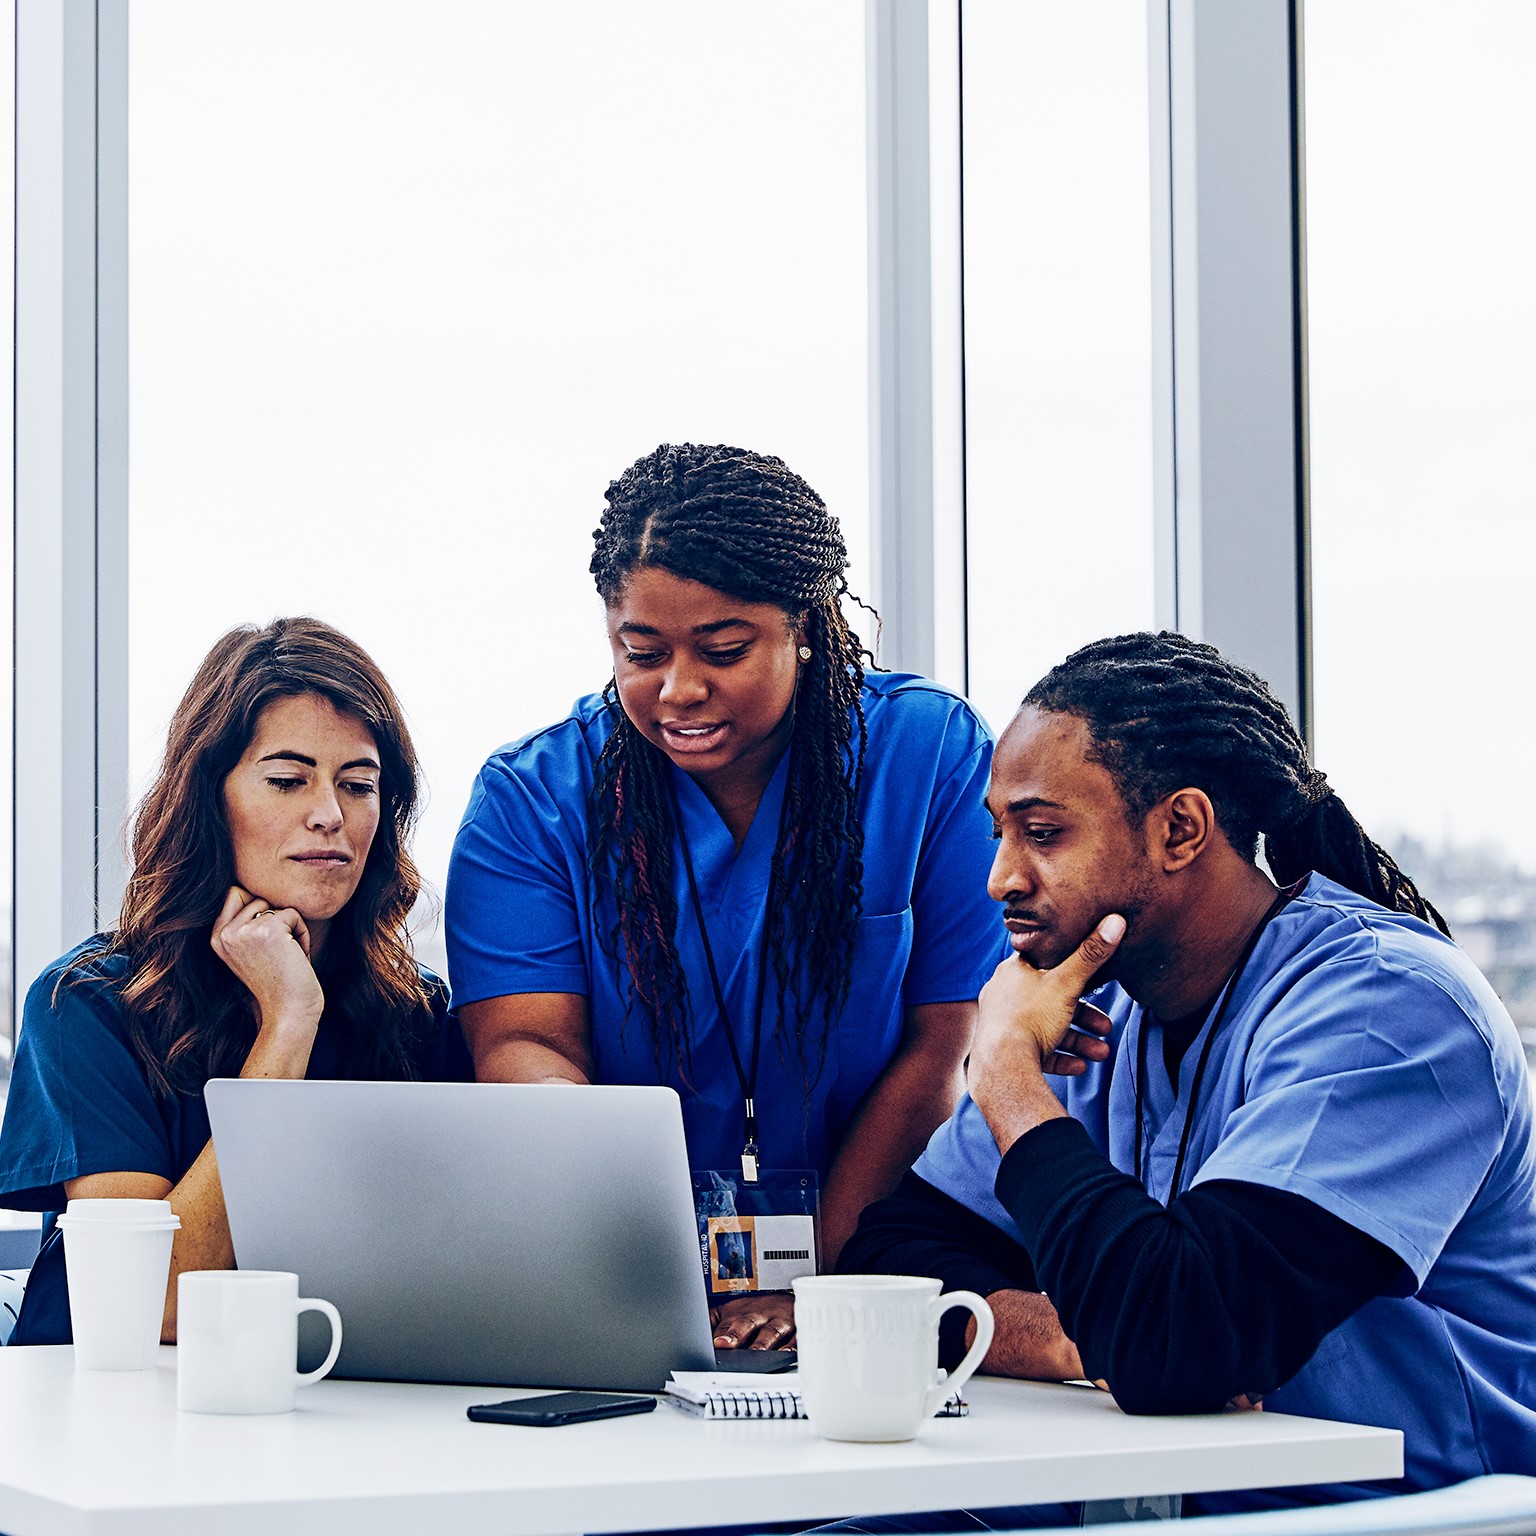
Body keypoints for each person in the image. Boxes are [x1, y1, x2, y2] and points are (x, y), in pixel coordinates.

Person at [841, 631, 1536, 1508]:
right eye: (1000, 835)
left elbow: (1176, 1342)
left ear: (1179, 829)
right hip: (1149, 1503)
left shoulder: (1386, 1014)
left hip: (1383, 1514)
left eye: (1043, 833)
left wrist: (1007, 1076)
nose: (999, 880)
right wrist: (1065, 1335)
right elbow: (894, 1261)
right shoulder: (1103, 1017)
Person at [446, 442, 1005, 1349]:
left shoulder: (927, 754)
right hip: (617, 1267)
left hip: (877, 1267)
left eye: (724, 649)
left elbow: (942, 1047)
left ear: (806, 624)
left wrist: (822, 1284)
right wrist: (642, 1260)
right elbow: (524, 1046)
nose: (679, 690)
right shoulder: (533, 798)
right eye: (642, 653)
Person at [0, 618, 471, 1345]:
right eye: (288, 781)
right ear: (209, 796)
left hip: (334, 1411)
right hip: (107, 1422)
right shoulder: (89, 1005)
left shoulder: (417, 1014)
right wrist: (287, 1024)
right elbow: (152, 1304)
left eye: (359, 785)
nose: (329, 816)